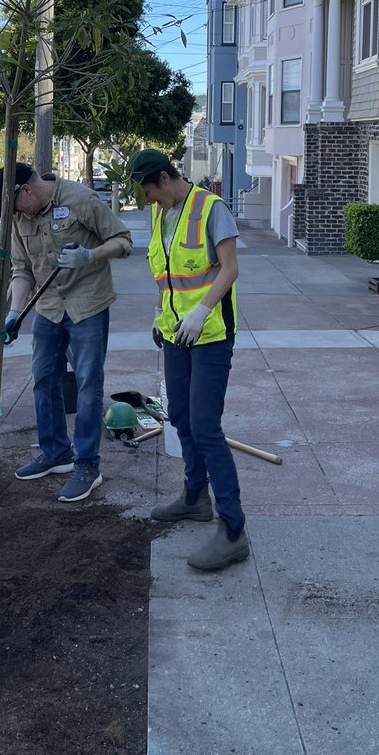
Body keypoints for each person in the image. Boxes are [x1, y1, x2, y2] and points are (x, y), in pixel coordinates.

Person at [129, 149, 249, 571]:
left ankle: (233, 529)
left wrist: (201, 312)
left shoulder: (211, 208)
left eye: (149, 191)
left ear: (165, 178)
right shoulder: (161, 215)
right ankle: (196, 498)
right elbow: (168, 277)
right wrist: (162, 317)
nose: (149, 201)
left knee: (205, 426)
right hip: (175, 332)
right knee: (179, 415)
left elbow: (229, 269)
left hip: (211, 333)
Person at [0, 162, 133, 502]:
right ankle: (56, 452)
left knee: (87, 385)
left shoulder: (81, 199)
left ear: (26, 190)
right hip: (47, 309)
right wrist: (14, 314)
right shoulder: (18, 217)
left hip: (87, 305)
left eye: (15, 204)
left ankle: (87, 465)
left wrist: (89, 255)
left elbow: (123, 240)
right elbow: (22, 269)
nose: (15, 213)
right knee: (43, 379)